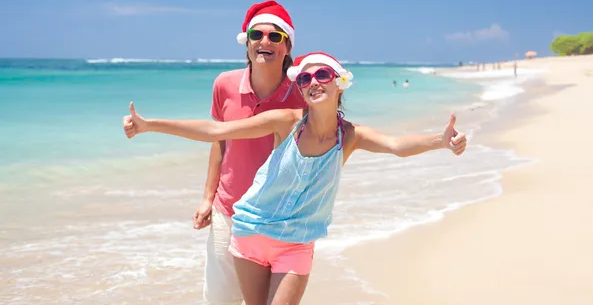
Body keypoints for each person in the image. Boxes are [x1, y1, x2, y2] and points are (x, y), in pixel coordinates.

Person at [123, 51, 468, 305]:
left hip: (296, 241)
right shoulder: (286, 122)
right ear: (300, 89)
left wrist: (440, 141)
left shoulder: (349, 136)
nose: (313, 82)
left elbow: (395, 145)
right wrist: (149, 125)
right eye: (304, 78)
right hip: (251, 234)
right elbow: (217, 129)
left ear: (339, 84)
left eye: (322, 76)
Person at [191, 0, 306, 304]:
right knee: (219, 299)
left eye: (275, 36)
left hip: (280, 219)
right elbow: (218, 141)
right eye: (257, 35)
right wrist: (207, 198)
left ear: (287, 45)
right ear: (247, 42)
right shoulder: (224, 84)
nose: (265, 41)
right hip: (229, 211)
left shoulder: (303, 93)